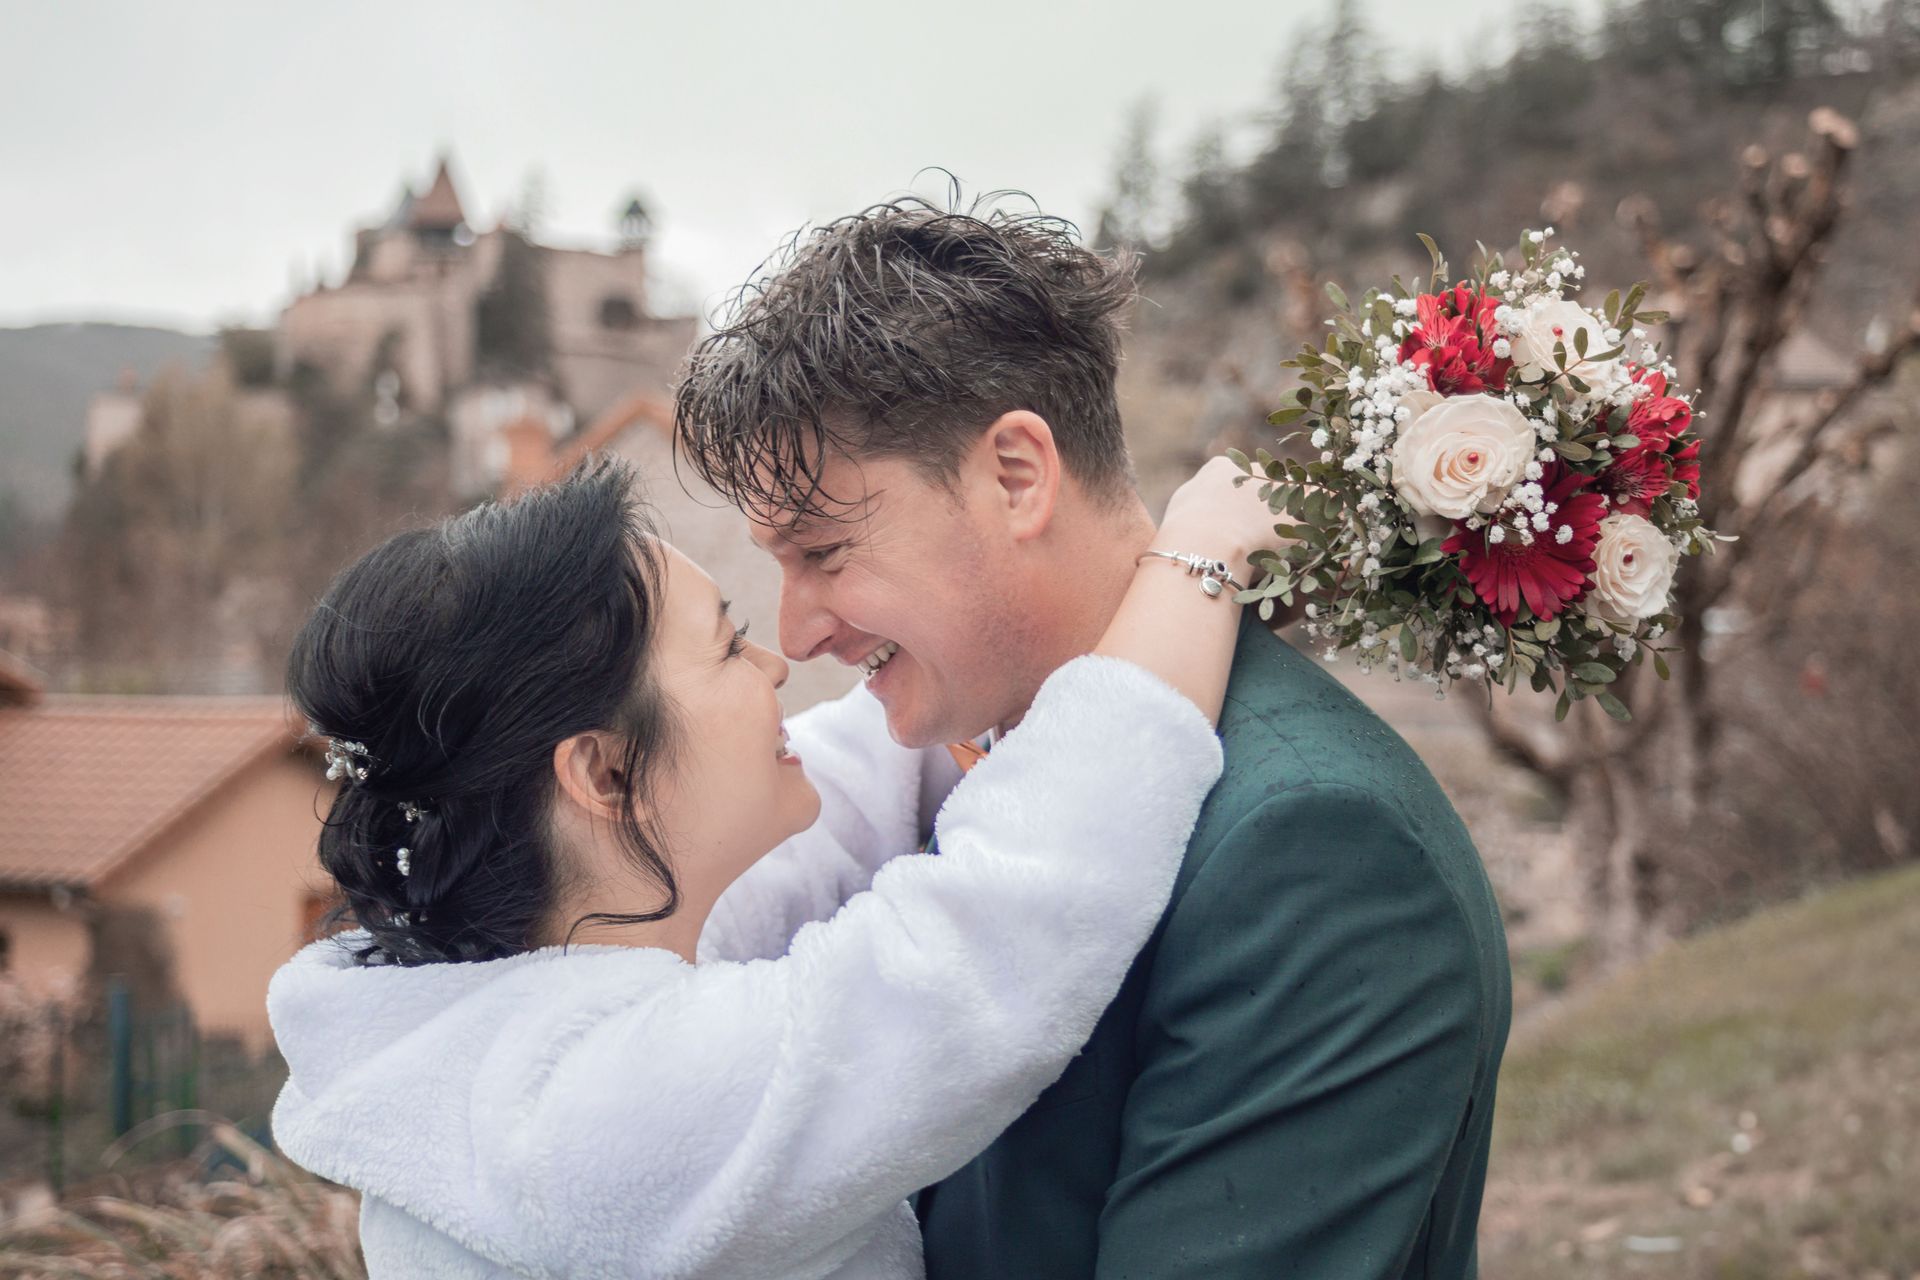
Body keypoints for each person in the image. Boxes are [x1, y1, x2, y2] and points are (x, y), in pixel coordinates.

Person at [674, 196, 1514, 1278]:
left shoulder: (1316, 850)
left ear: (1016, 475)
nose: (796, 635)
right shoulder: (954, 756)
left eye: (826, 553)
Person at [267, 455, 1275, 1279]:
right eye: (728, 645)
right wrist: (1199, 558)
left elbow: (833, 798)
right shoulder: (600, 1125)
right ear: (606, 773)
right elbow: (992, 934)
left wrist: (968, 667)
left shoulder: (503, 1007)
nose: (778, 661)